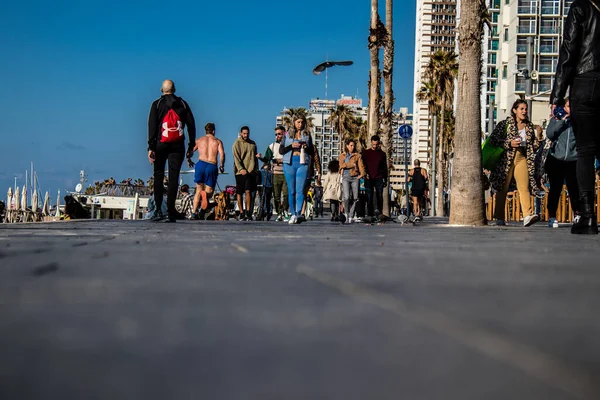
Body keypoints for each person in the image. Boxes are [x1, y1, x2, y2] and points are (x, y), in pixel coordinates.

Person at [550, 0, 600, 234]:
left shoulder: (581, 7)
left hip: (585, 84)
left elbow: (569, 50)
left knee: (586, 150)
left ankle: (587, 215)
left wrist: (558, 95)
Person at [147, 79, 196, 222]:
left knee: (158, 174)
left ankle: (157, 211)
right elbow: (191, 125)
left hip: (160, 144)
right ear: (174, 89)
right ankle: (170, 211)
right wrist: (191, 145)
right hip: (177, 145)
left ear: (161, 90)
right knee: (174, 176)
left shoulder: (156, 104)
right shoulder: (182, 103)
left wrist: (151, 147)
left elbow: (152, 126)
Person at [489, 99, 543, 227]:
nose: (524, 111)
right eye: (521, 109)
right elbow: (493, 141)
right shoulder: (505, 124)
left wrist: (539, 137)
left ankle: (527, 215)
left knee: (524, 187)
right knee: (503, 188)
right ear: (515, 110)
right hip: (506, 159)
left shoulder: (529, 126)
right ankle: (499, 217)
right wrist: (509, 143)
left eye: (526, 109)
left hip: (522, 158)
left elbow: (533, 147)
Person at [545, 99, 579, 228]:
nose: (570, 109)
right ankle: (552, 216)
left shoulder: (578, 120)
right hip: (556, 159)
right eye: (568, 106)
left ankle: (577, 214)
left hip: (573, 159)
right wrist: (562, 121)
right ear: (564, 107)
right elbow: (549, 134)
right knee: (555, 189)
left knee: (574, 189)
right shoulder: (557, 117)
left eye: (572, 106)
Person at [279, 116, 314, 224]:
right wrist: (291, 146)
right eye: (298, 122)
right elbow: (281, 150)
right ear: (294, 123)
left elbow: (312, 151)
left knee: (300, 189)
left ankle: (299, 213)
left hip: (302, 162)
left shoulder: (307, 135)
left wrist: (305, 146)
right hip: (289, 162)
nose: (300, 124)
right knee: (291, 190)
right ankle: (293, 213)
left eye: (302, 122)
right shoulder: (287, 134)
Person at [191, 123, 225, 220]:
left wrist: (189, 160)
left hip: (200, 164)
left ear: (205, 131)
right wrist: (222, 166)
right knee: (209, 192)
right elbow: (222, 154)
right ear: (213, 131)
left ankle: (194, 213)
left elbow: (189, 152)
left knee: (198, 190)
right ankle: (202, 209)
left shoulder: (199, 140)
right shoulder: (217, 142)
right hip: (211, 164)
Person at [259, 126, 289, 221]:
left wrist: (282, 160)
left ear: (284, 133)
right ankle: (279, 213)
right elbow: (267, 159)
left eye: (279, 134)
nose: (277, 136)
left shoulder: (288, 145)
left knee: (286, 194)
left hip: (286, 173)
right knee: (276, 195)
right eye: (276, 134)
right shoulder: (272, 146)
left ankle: (285, 211)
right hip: (275, 173)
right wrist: (260, 157)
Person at [232, 126, 259, 221]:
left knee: (248, 191)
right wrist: (240, 169)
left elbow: (255, 158)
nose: (245, 135)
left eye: (247, 133)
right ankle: (241, 212)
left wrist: (256, 170)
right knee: (239, 192)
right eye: (244, 133)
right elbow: (236, 158)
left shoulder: (252, 144)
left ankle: (248, 212)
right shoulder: (236, 143)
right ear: (240, 133)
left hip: (250, 171)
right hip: (239, 172)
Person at [339, 139, 366, 224]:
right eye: (350, 145)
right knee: (346, 197)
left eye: (353, 146)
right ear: (347, 146)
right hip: (346, 177)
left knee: (355, 198)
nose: (352, 147)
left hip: (355, 177)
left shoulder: (357, 155)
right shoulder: (342, 155)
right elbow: (341, 165)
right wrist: (352, 164)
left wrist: (361, 175)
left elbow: (360, 165)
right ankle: (346, 213)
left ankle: (351, 215)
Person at [362, 135, 388, 219]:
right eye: (373, 144)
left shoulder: (382, 154)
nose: (374, 146)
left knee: (379, 196)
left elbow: (385, 167)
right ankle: (370, 214)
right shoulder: (365, 153)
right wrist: (365, 174)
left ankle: (379, 213)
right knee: (369, 196)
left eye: (376, 144)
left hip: (379, 177)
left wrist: (385, 179)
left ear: (379, 144)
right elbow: (362, 165)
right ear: (371, 143)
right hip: (368, 178)